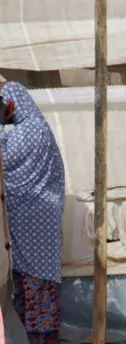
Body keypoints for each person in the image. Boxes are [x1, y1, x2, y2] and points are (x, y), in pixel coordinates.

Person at [0, 81, 65, 342]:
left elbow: (4, 159)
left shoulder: (31, 130)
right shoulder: (40, 127)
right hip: (42, 221)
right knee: (38, 286)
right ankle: (39, 335)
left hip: (30, 223)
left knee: (34, 286)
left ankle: (40, 337)